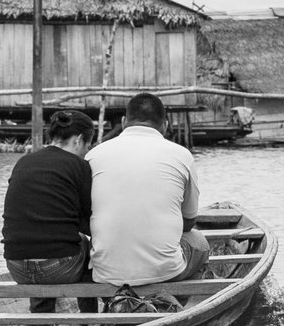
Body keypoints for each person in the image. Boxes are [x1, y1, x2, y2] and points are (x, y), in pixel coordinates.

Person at [86, 93, 210, 288]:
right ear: (165, 125)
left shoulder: (93, 155)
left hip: (106, 272)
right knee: (199, 243)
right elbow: (189, 222)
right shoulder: (182, 155)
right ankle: (176, 302)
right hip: (164, 271)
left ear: (124, 121)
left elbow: (87, 215)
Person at [1, 108, 98, 326]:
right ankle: (89, 322)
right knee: (89, 245)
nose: (87, 151)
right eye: (88, 146)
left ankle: (41, 322)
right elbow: (88, 222)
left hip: (16, 265)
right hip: (58, 267)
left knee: (42, 239)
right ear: (80, 140)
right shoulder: (80, 166)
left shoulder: (24, 162)